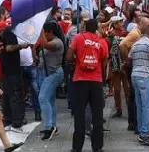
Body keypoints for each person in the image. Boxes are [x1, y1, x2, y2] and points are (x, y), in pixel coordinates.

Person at [67, 19, 108, 152]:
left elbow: (68, 57)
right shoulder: (102, 42)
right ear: (96, 28)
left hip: (80, 80)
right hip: (96, 80)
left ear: (85, 27)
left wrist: (76, 61)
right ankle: (97, 147)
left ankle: (76, 147)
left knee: (79, 115)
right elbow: (104, 61)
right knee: (97, 115)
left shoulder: (78, 38)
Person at [127, 24, 149, 146]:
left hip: (134, 75)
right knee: (148, 106)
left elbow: (128, 62)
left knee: (139, 105)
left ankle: (141, 129)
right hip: (145, 76)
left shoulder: (135, 44)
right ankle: (144, 134)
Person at [0, 23, 29, 131]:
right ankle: (16, 122)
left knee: (8, 95)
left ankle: (8, 120)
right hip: (12, 70)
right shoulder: (10, 33)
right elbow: (9, 48)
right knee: (16, 95)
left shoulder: (6, 33)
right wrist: (22, 46)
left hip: (7, 69)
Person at [37, 22, 65, 141]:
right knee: (50, 100)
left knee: (42, 98)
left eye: (45, 32)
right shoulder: (50, 40)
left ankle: (49, 127)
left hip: (54, 74)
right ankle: (52, 124)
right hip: (45, 73)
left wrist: (40, 29)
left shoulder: (58, 42)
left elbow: (45, 45)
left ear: (50, 32)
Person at [107, 16, 130, 119]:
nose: (121, 24)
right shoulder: (109, 35)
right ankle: (118, 110)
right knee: (116, 89)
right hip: (115, 65)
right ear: (114, 24)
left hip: (125, 65)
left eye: (121, 22)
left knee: (127, 88)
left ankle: (130, 109)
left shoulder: (126, 33)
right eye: (119, 22)